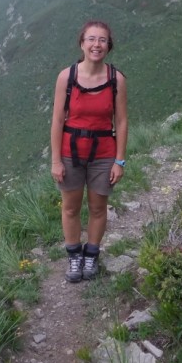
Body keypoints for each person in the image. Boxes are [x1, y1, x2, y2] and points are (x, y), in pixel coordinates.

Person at [50, 20, 128, 282]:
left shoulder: (116, 79)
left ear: (109, 45)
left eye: (102, 40)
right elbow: (57, 120)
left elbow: (122, 122)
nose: (97, 45)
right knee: (70, 208)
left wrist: (120, 161)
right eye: (91, 39)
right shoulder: (66, 77)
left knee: (98, 207)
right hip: (70, 153)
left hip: (104, 154)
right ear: (82, 44)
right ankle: (74, 256)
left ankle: (91, 255)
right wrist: (56, 161)